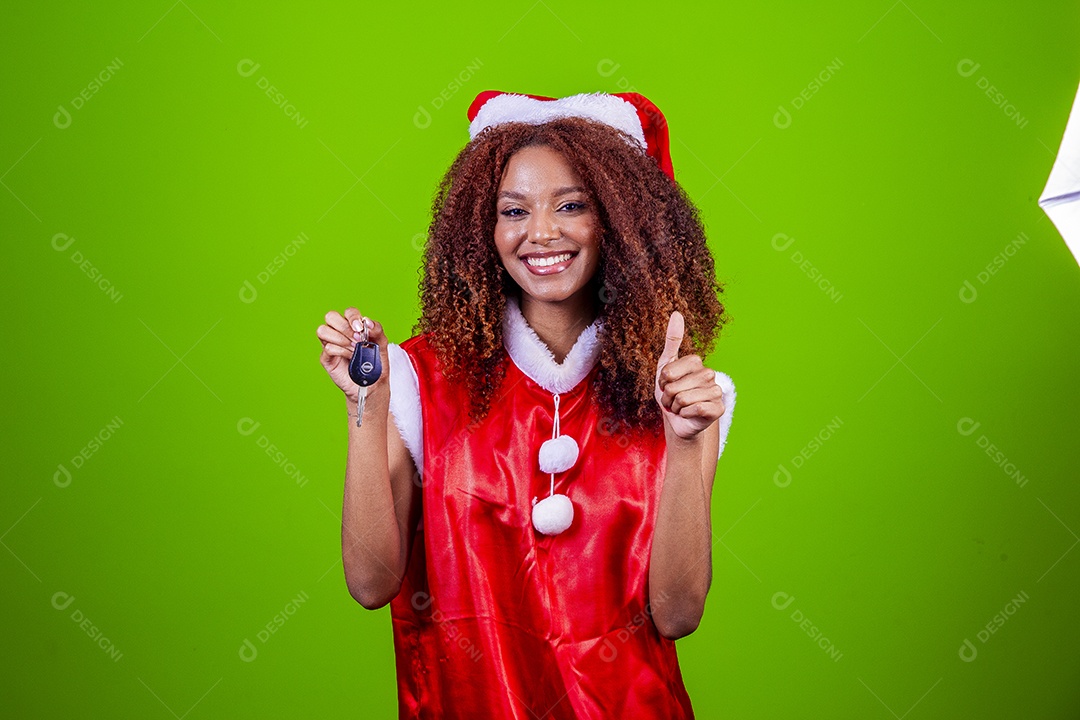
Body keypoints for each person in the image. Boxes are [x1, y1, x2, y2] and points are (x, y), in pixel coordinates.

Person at [316, 90, 737, 719]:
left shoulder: (681, 394)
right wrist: (367, 406)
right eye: (514, 210)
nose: (541, 232)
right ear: (482, 229)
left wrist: (682, 442)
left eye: (572, 206)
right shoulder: (419, 379)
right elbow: (371, 584)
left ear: (619, 221)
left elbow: (677, 615)